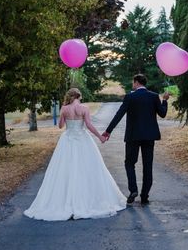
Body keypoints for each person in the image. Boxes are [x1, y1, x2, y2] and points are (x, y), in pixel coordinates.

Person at [23, 88, 127, 221]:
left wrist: (63, 114)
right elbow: (88, 125)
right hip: (82, 139)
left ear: (70, 96)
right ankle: (87, 200)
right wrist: (100, 137)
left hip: (67, 139)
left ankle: (64, 200)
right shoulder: (84, 108)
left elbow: (60, 126)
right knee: (88, 168)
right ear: (79, 96)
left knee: (65, 168)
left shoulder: (65, 109)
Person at [102, 74, 170, 205]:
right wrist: (165, 100)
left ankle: (133, 190)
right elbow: (162, 113)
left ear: (137, 82)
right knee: (147, 166)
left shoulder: (130, 97)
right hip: (149, 136)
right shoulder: (154, 96)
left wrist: (108, 131)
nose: (132, 85)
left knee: (129, 163)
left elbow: (119, 115)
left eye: (133, 82)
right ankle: (145, 196)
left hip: (133, 136)